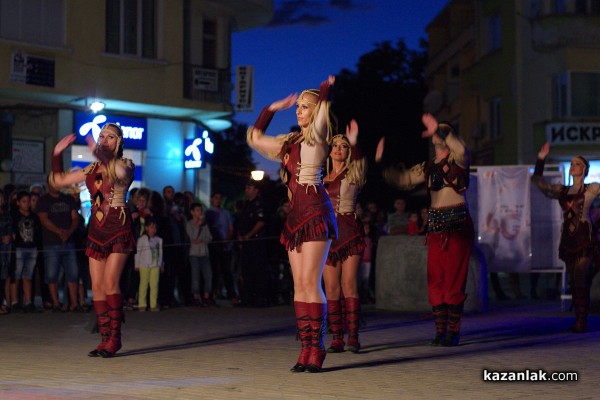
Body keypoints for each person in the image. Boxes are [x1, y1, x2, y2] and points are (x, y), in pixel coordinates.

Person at [247, 75, 338, 372]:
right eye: (297, 106)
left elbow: (323, 117)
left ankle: (317, 347)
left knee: (311, 283)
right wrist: (271, 109)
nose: (298, 110)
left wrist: (324, 93)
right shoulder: (289, 143)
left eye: (304, 107)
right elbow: (255, 138)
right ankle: (305, 349)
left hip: (315, 212)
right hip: (295, 216)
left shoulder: (318, 137)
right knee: (299, 286)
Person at [376, 113, 474, 347]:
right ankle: (440, 330)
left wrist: (439, 129)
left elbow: (459, 148)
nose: (437, 133)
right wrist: (381, 161)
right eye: (436, 131)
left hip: (458, 224)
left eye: (443, 131)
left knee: (454, 279)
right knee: (436, 279)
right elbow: (403, 179)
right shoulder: (428, 167)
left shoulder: (459, 159)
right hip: (437, 225)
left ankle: (453, 331)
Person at [49, 123, 136, 357]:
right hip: (96, 231)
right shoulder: (91, 168)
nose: (104, 139)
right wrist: (56, 153)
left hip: (118, 227)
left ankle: (115, 339)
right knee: (96, 287)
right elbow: (58, 181)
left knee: (110, 283)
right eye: (101, 136)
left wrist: (97, 151)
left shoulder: (125, 164)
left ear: (118, 142)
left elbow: (117, 173)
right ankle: (105, 339)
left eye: (110, 136)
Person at [531, 143, 600, 332]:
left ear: (584, 169)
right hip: (569, 239)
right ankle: (579, 318)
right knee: (574, 279)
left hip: (584, 237)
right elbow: (538, 183)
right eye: (571, 163)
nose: (573, 166)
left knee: (580, 277)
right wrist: (541, 159)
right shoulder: (562, 190)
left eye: (577, 163)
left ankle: (581, 320)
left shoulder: (591, 189)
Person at [322, 119, 367, 354]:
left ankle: (353, 337)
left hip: (350, 232)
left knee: (349, 285)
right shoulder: (321, 178)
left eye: (344, 146)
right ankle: (337, 338)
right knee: (331, 289)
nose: (340, 149)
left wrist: (355, 141)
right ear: (329, 150)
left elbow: (360, 161)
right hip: (328, 236)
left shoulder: (354, 173)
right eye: (336, 145)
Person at [37, 180, 80, 312]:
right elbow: (43, 219)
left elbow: (75, 217)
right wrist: (60, 232)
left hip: (69, 242)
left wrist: (69, 232)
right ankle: (55, 303)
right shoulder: (43, 200)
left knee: (73, 274)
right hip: (51, 242)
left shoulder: (68, 199)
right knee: (52, 275)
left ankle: (74, 303)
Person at [237, 180, 269, 307]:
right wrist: (240, 236)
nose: (246, 190)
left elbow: (261, 221)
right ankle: (247, 298)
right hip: (245, 243)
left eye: (249, 187)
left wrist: (248, 235)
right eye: (246, 187)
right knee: (246, 271)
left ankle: (259, 299)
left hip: (256, 242)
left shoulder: (259, 204)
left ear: (256, 190)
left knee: (257, 271)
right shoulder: (246, 205)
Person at [10, 191, 42, 313]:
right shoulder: (14, 216)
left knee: (28, 275)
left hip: (32, 248)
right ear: (18, 203)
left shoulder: (34, 216)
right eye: (24, 201)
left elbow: (37, 233)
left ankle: (28, 301)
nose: (27, 204)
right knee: (16, 275)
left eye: (29, 201)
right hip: (18, 248)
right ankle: (15, 301)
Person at [205, 192, 238, 305]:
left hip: (225, 247)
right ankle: (211, 295)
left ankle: (232, 295)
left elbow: (231, 228)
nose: (218, 200)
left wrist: (226, 240)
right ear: (212, 199)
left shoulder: (227, 213)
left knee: (227, 271)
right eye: (216, 198)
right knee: (214, 272)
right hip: (213, 246)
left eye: (220, 198)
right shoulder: (208, 213)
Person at [186, 203, 213, 306]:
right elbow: (193, 238)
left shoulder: (205, 224)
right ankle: (196, 297)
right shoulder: (189, 224)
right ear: (192, 212)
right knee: (195, 276)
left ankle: (206, 296)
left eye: (201, 210)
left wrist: (202, 240)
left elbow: (209, 238)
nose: (200, 212)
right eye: (197, 210)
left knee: (208, 275)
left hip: (205, 253)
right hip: (194, 254)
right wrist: (198, 226)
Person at [135, 217, 163, 312]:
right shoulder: (142, 239)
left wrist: (161, 264)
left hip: (155, 265)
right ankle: (142, 304)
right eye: (151, 227)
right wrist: (137, 264)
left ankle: (153, 304)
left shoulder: (159, 240)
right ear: (146, 228)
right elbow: (138, 252)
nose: (153, 229)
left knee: (154, 285)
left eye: (155, 227)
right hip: (144, 265)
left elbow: (161, 253)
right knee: (143, 284)